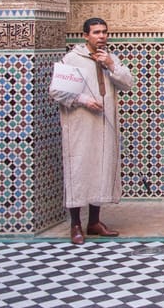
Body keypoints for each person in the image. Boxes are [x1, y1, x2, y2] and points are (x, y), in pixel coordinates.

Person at [49, 17, 133, 244]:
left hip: (104, 125)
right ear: (86, 35)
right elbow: (56, 91)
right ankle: (76, 224)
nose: (101, 36)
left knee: (100, 168)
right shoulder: (72, 59)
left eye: (104, 32)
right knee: (79, 170)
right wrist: (83, 99)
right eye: (96, 32)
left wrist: (111, 65)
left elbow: (127, 83)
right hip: (80, 126)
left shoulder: (110, 57)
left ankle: (94, 222)